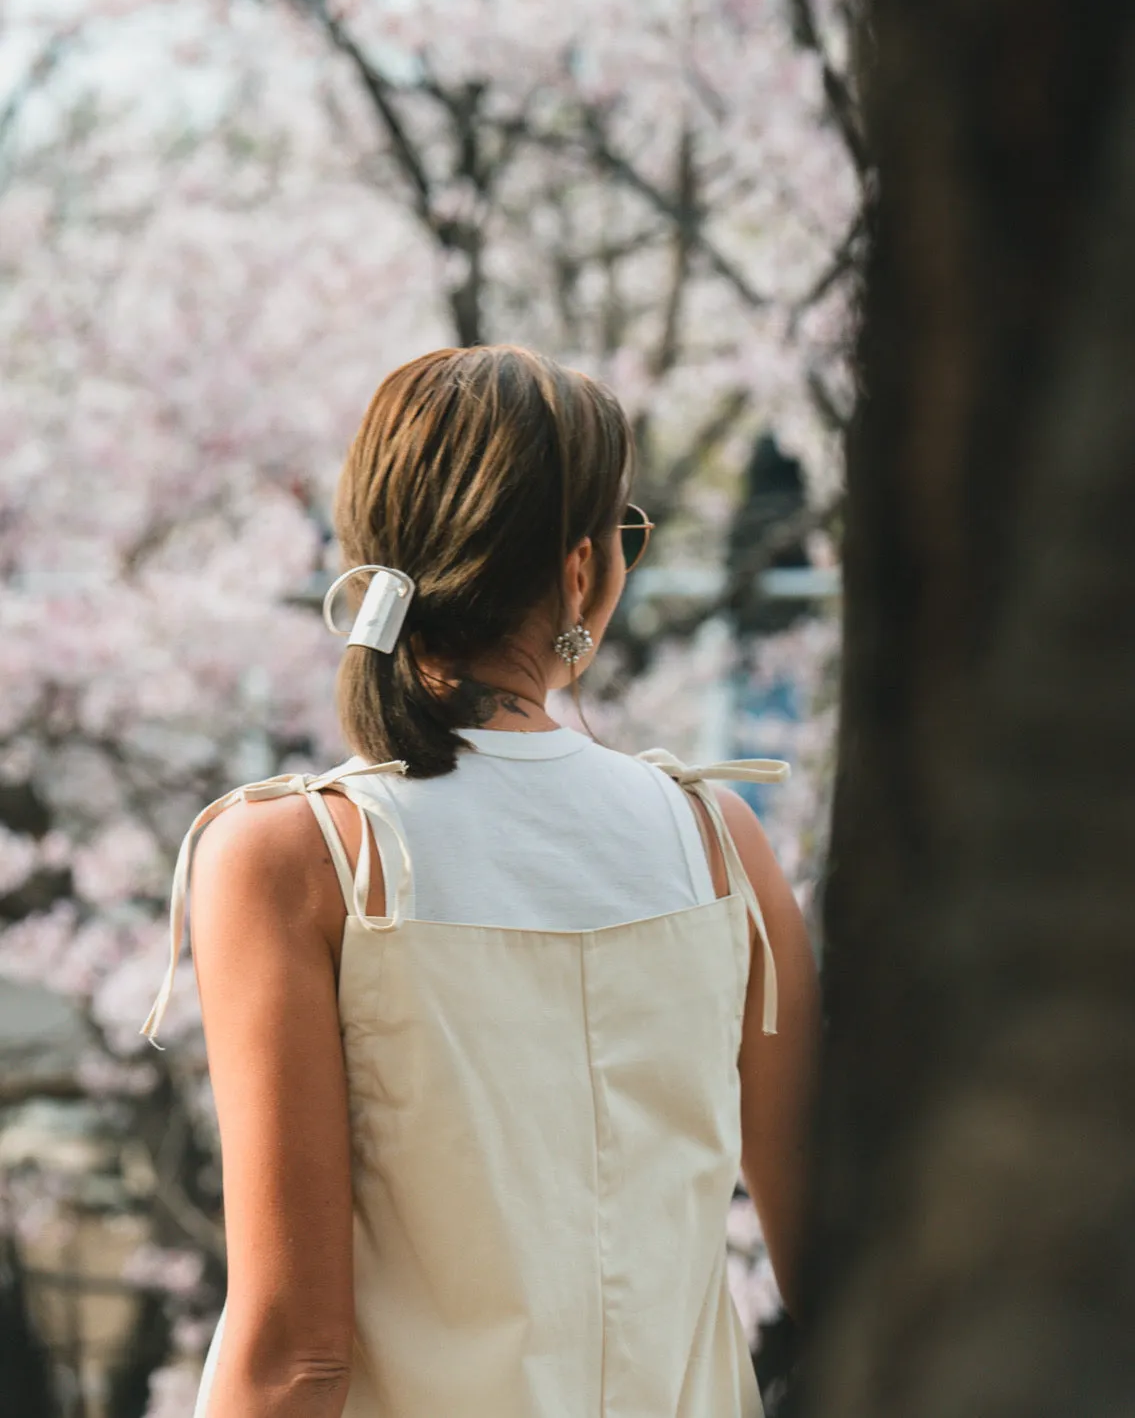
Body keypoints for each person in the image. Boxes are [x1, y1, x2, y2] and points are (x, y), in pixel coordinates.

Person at [143, 345, 821, 1418]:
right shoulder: (720, 841)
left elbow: (296, 1353)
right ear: (582, 569)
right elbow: (838, 1272)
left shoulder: (299, 855)